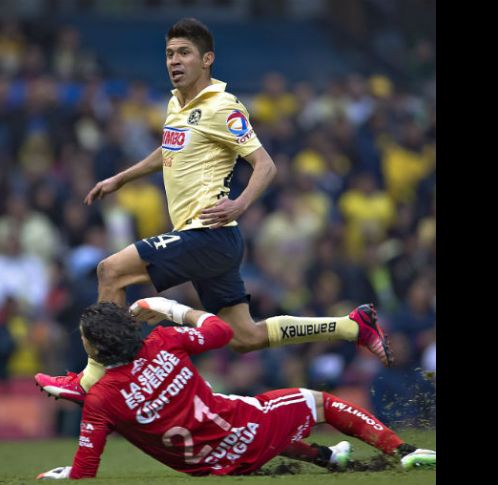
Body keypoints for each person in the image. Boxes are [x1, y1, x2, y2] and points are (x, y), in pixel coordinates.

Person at [35, 18, 391, 403]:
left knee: (111, 270)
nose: (174, 61)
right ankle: (353, 326)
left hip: (208, 233)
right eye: (170, 54)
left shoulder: (222, 106)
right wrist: (123, 177)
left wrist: (240, 202)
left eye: (184, 53)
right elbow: (170, 149)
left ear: (207, 59)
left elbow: (265, 164)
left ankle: (94, 382)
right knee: (245, 337)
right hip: (212, 242)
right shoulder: (176, 103)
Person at [36, 298, 435, 479]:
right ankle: (404, 451)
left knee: (238, 407)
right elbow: (222, 331)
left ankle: (328, 458)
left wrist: (64, 475)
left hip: (209, 467)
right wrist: (167, 305)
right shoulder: (164, 340)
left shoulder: (101, 400)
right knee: (320, 402)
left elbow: (86, 471)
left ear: (93, 348)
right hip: (244, 434)